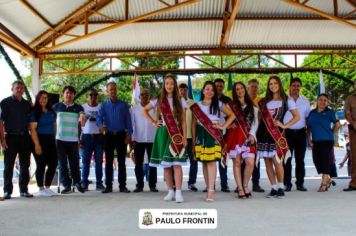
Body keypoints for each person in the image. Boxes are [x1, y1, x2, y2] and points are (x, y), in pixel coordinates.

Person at [143, 74, 188, 203]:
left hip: (176, 134)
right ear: (164, 85)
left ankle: (179, 192)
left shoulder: (180, 99)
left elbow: (184, 121)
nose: (169, 86)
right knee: (166, 165)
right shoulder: (159, 99)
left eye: (172, 83)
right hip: (163, 133)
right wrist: (153, 122)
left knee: (177, 164)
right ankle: (170, 191)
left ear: (175, 85)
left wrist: (184, 136)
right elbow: (144, 110)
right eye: (167, 83)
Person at [191, 81, 235, 202]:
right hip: (201, 134)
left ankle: (211, 191)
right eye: (207, 89)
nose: (209, 91)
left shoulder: (219, 104)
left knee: (211, 162)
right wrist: (194, 140)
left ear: (214, 92)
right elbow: (193, 124)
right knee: (204, 163)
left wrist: (223, 126)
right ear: (203, 90)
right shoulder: (197, 105)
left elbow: (232, 115)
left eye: (212, 90)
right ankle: (209, 187)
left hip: (213, 134)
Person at [256, 75, 300, 199]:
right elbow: (260, 118)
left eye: (275, 83)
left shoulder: (287, 100)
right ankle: (273, 188)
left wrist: (284, 125)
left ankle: (281, 187)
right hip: (264, 134)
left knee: (277, 160)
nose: (273, 85)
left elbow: (297, 116)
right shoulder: (264, 101)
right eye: (270, 84)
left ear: (279, 84)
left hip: (277, 134)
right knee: (267, 162)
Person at [97, 82, 133, 194]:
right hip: (108, 136)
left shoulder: (123, 105)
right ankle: (108, 186)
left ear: (116, 90)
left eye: (114, 89)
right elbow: (99, 117)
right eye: (110, 90)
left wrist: (129, 135)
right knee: (108, 162)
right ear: (107, 92)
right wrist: (100, 126)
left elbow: (128, 121)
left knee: (122, 162)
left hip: (121, 135)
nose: (113, 91)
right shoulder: (103, 105)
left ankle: (123, 186)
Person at [0, 80, 33, 199]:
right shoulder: (5, 102)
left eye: (21, 88)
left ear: (23, 90)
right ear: (12, 89)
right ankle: (7, 191)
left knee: (25, 164)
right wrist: (2, 139)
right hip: (10, 137)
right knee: (9, 165)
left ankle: (24, 190)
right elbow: (1, 122)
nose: (19, 90)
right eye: (17, 88)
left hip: (24, 137)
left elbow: (31, 121)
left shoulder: (26, 104)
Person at [226, 82, 258, 199]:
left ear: (245, 89)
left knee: (250, 162)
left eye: (241, 88)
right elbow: (222, 118)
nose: (240, 91)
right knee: (237, 162)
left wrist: (252, 134)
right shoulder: (231, 105)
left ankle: (245, 185)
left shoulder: (252, 106)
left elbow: (255, 123)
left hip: (247, 136)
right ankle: (240, 188)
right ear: (235, 92)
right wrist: (227, 126)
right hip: (235, 136)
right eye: (237, 89)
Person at [53, 86, 85, 194]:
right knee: (62, 164)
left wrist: (83, 116)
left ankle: (77, 182)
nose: (69, 95)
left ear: (74, 95)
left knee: (74, 163)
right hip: (60, 139)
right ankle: (66, 185)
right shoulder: (56, 106)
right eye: (67, 93)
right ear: (63, 94)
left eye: (71, 93)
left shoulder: (78, 107)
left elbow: (82, 120)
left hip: (73, 139)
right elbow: (52, 121)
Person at [307, 93, 340, 192]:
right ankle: (328, 179)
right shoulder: (312, 113)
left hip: (327, 140)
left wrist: (331, 132)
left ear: (327, 102)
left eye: (325, 100)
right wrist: (309, 139)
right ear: (317, 101)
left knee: (325, 160)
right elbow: (308, 127)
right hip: (316, 140)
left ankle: (324, 183)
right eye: (320, 100)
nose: (322, 102)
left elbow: (337, 124)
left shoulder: (330, 112)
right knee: (317, 161)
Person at [283, 78, 310, 192]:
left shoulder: (305, 101)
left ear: (300, 87)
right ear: (289, 87)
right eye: (293, 85)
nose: (295, 88)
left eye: (298, 86)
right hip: (287, 133)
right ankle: (287, 184)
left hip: (300, 133)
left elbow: (307, 118)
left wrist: (309, 135)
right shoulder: (284, 100)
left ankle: (300, 183)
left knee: (300, 160)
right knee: (287, 159)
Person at [29, 90, 57, 197]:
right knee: (41, 164)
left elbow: (54, 126)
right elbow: (33, 129)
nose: (43, 100)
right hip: (39, 139)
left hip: (50, 139)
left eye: (45, 98)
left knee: (53, 163)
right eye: (41, 98)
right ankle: (40, 189)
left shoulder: (51, 112)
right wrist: (37, 144)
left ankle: (47, 187)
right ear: (37, 99)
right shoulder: (34, 112)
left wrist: (55, 139)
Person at [131, 89, 158, 192]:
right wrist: (132, 139)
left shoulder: (155, 108)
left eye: (146, 94)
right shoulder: (134, 108)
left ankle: (152, 185)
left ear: (149, 96)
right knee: (138, 164)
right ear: (139, 96)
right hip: (138, 139)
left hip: (152, 139)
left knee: (153, 164)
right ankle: (139, 185)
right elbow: (132, 124)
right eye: (142, 95)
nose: (144, 96)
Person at [80, 89, 105, 191]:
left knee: (99, 162)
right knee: (85, 162)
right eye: (91, 95)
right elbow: (79, 124)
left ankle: (99, 183)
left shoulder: (101, 107)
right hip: (86, 137)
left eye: (95, 95)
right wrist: (79, 138)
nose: (93, 97)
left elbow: (105, 120)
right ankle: (84, 183)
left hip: (99, 137)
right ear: (87, 96)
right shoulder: (83, 107)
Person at [246, 79, 265, 193]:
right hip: (244, 134)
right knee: (244, 159)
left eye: (256, 87)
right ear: (248, 88)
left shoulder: (261, 101)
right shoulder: (243, 100)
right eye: (252, 86)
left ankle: (256, 183)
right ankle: (242, 184)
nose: (254, 89)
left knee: (256, 160)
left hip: (257, 133)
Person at [179, 83, 198, 192]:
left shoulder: (193, 103)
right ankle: (175, 184)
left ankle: (191, 182)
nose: (182, 92)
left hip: (190, 137)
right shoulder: (175, 103)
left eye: (184, 90)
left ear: (187, 91)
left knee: (193, 160)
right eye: (180, 90)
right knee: (176, 161)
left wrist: (194, 140)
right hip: (179, 137)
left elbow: (194, 123)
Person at [213, 78, 231, 192]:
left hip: (224, 133)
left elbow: (232, 115)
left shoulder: (227, 100)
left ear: (223, 87)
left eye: (221, 86)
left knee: (223, 158)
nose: (219, 88)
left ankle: (224, 184)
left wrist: (228, 126)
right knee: (211, 160)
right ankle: (211, 185)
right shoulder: (209, 98)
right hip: (211, 132)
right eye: (217, 86)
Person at [343, 81, 356, 191]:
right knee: (354, 157)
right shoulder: (350, 98)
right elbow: (347, 113)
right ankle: (354, 183)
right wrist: (354, 123)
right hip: (354, 131)